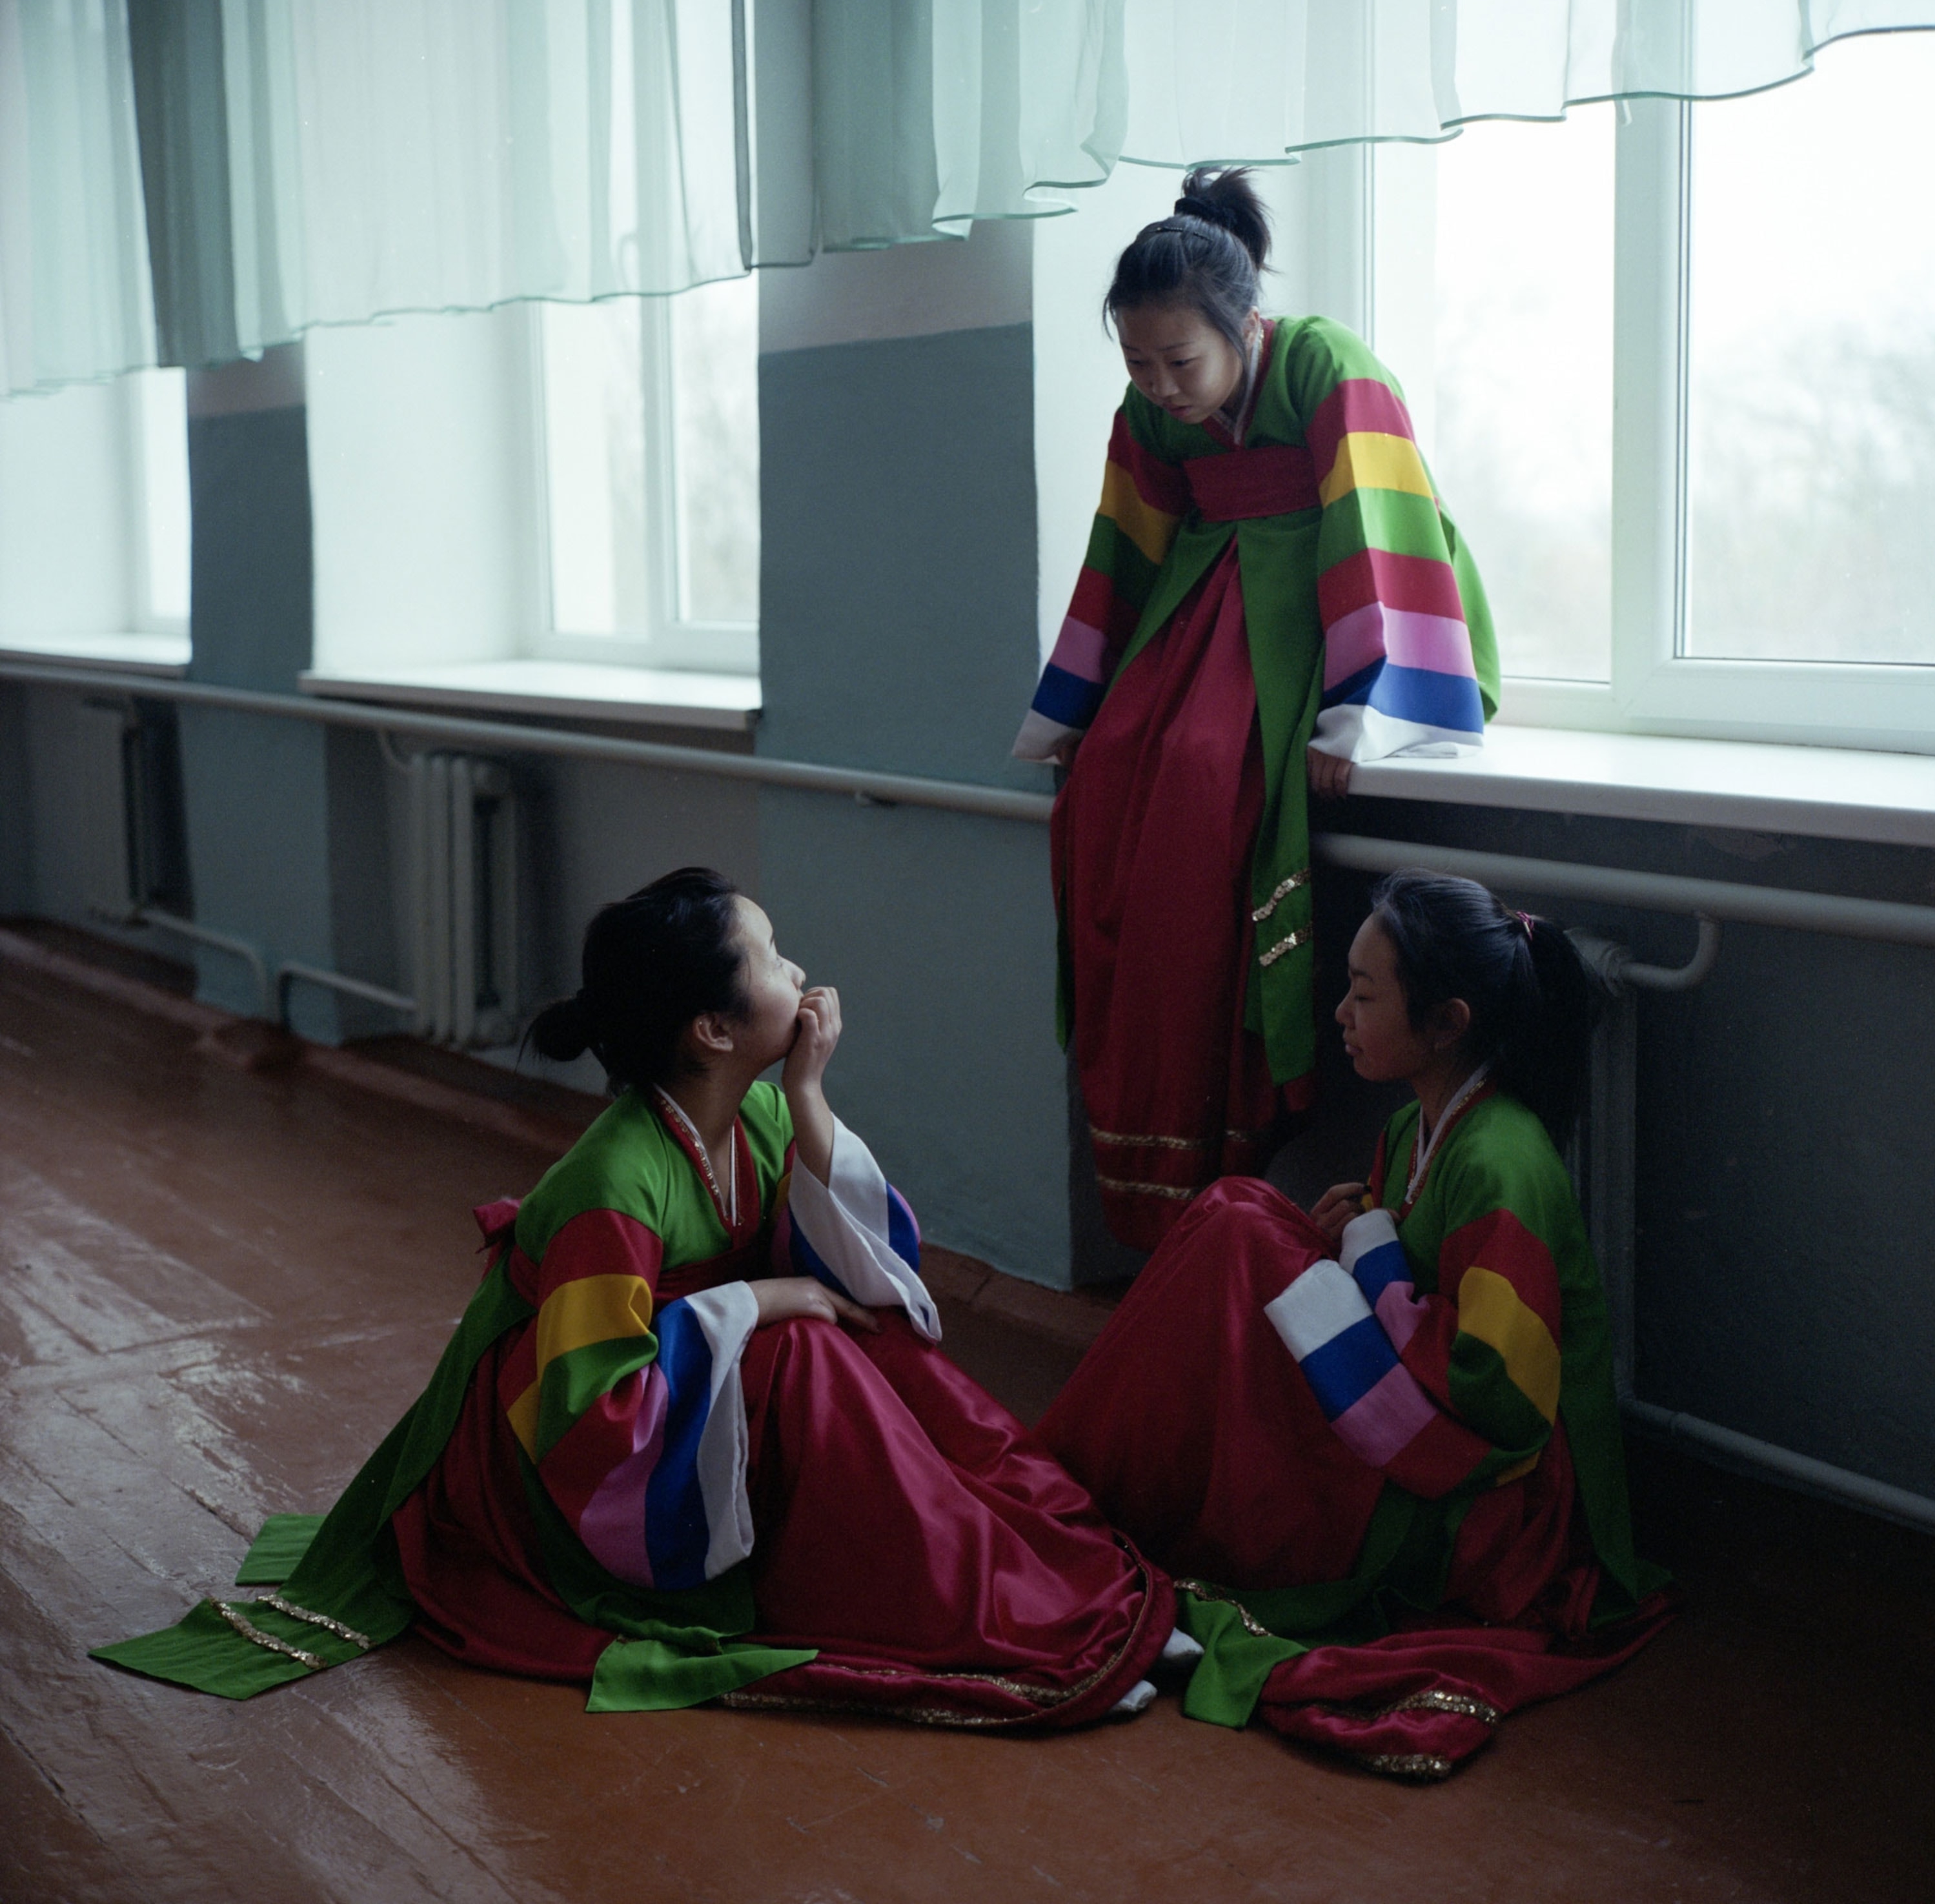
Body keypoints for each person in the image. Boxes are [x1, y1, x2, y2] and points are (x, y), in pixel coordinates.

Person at [95, 868, 1176, 1727]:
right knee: (804, 1352)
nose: (800, 969)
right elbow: (589, 1412)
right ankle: (992, 1616)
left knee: (877, 1340)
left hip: (685, 1393)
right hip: (558, 1460)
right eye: (771, 954)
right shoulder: (615, 1184)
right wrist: (758, 1305)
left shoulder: (754, 1113)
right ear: (712, 1029)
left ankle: (1057, 1570)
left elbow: (870, 1264)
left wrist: (806, 1102)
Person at [1035, 870, 1672, 1778]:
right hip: (1426, 1417)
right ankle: (1083, 1480)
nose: (1340, 1012)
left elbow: (1503, 1398)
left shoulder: (1503, 1165)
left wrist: (1370, 1254)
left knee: (1237, 1234)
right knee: (1239, 1216)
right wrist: (1361, 1238)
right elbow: (1398, 1267)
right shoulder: (1419, 1129)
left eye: (1365, 995)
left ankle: (1069, 1487)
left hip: (1493, 1506)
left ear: (1446, 1022)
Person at [1015, 168, 1501, 1249]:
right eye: (1138, 363)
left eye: (1180, 359)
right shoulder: (1152, 412)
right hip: (1200, 607)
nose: (1160, 384)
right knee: (1107, 787)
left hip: (1317, 602)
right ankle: (1154, 1128)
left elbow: (1380, 522)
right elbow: (1123, 549)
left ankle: (1228, 1118)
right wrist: (1074, 713)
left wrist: (1358, 714)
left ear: (1244, 324)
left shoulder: (1327, 363)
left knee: (1197, 779)